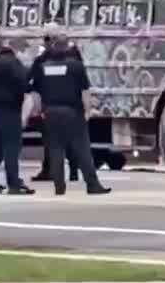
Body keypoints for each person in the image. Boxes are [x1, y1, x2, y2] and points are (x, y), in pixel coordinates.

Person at [28, 34, 110, 196]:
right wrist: (87, 111)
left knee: (56, 150)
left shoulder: (44, 67)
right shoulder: (76, 66)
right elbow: (85, 91)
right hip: (72, 112)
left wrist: (39, 111)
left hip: (51, 112)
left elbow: (36, 92)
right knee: (82, 149)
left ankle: (59, 187)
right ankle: (92, 185)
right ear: (67, 47)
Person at [0, 44, 34, 195]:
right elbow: (23, 83)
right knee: (11, 147)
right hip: (9, 109)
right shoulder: (15, 64)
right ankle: (14, 184)